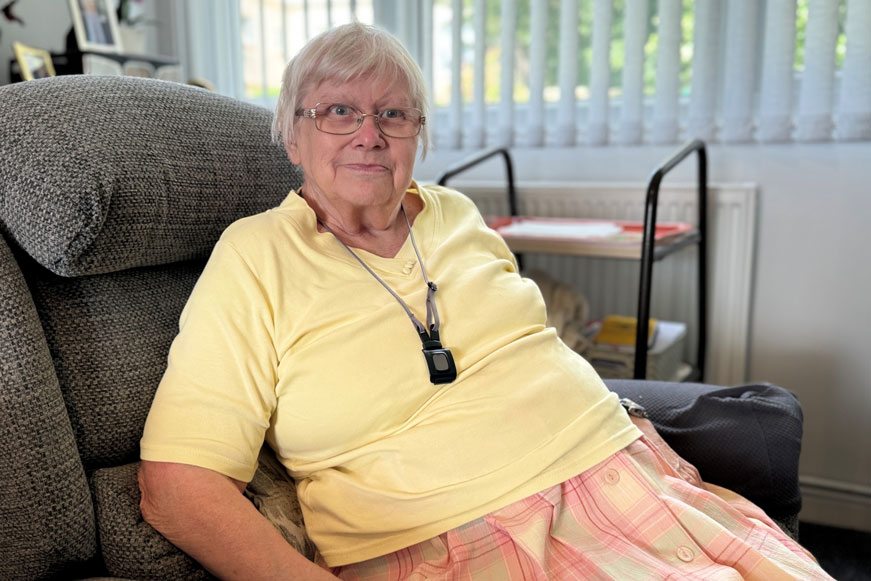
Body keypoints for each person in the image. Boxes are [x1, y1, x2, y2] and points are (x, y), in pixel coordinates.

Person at [139, 22, 831, 580]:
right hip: (458, 539)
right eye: (337, 111)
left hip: (636, 479)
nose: (368, 133)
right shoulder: (255, 255)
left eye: (392, 114)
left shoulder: (456, 214)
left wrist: (619, 427)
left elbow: (527, 346)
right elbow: (176, 485)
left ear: (418, 134)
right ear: (292, 134)